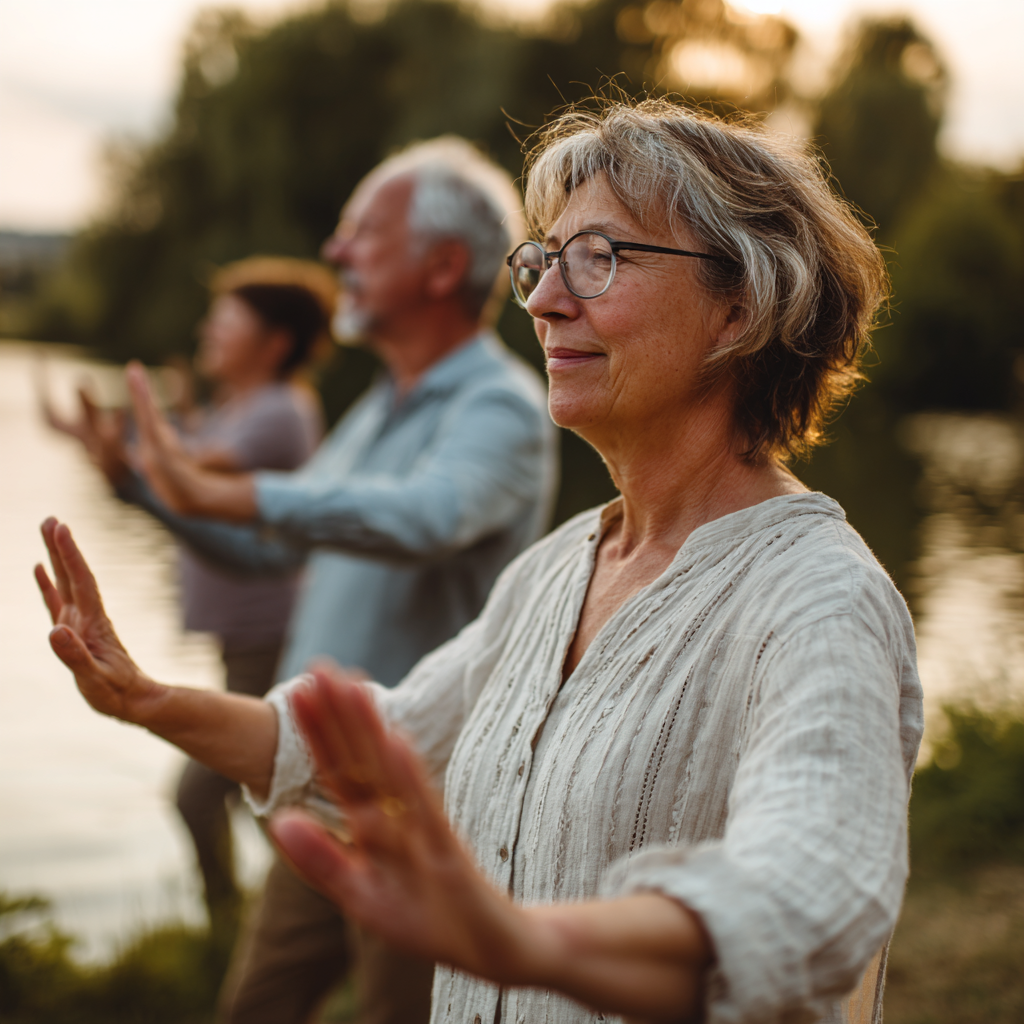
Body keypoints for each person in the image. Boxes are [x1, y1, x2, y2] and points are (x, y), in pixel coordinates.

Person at [37, 98, 923, 1024]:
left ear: (739, 306)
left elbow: (812, 896)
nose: (542, 301)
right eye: (544, 260)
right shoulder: (556, 570)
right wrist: (146, 698)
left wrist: (528, 945)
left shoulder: (821, 597)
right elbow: (388, 741)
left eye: (599, 257)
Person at [84, 137, 558, 1024]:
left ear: (441, 267)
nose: (336, 252)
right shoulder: (378, 406)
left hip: (421, 809)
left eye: (363, 233)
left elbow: (427, 516)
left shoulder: (501, 406)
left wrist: (231, 490)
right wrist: (149, 490)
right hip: (324, 789)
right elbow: (274, 551)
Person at [38, 256, 332, 940]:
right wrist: (107, 444)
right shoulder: (240, 408)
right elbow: (173, 457)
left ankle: (239, 931)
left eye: (226, 320)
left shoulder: (279, 412)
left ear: (274, 342)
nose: (209, 330)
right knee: (273, 798)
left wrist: (126, 458)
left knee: (203, 794)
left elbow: (181, 471)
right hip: (246, 638)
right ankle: (282, 922)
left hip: (271, 637)